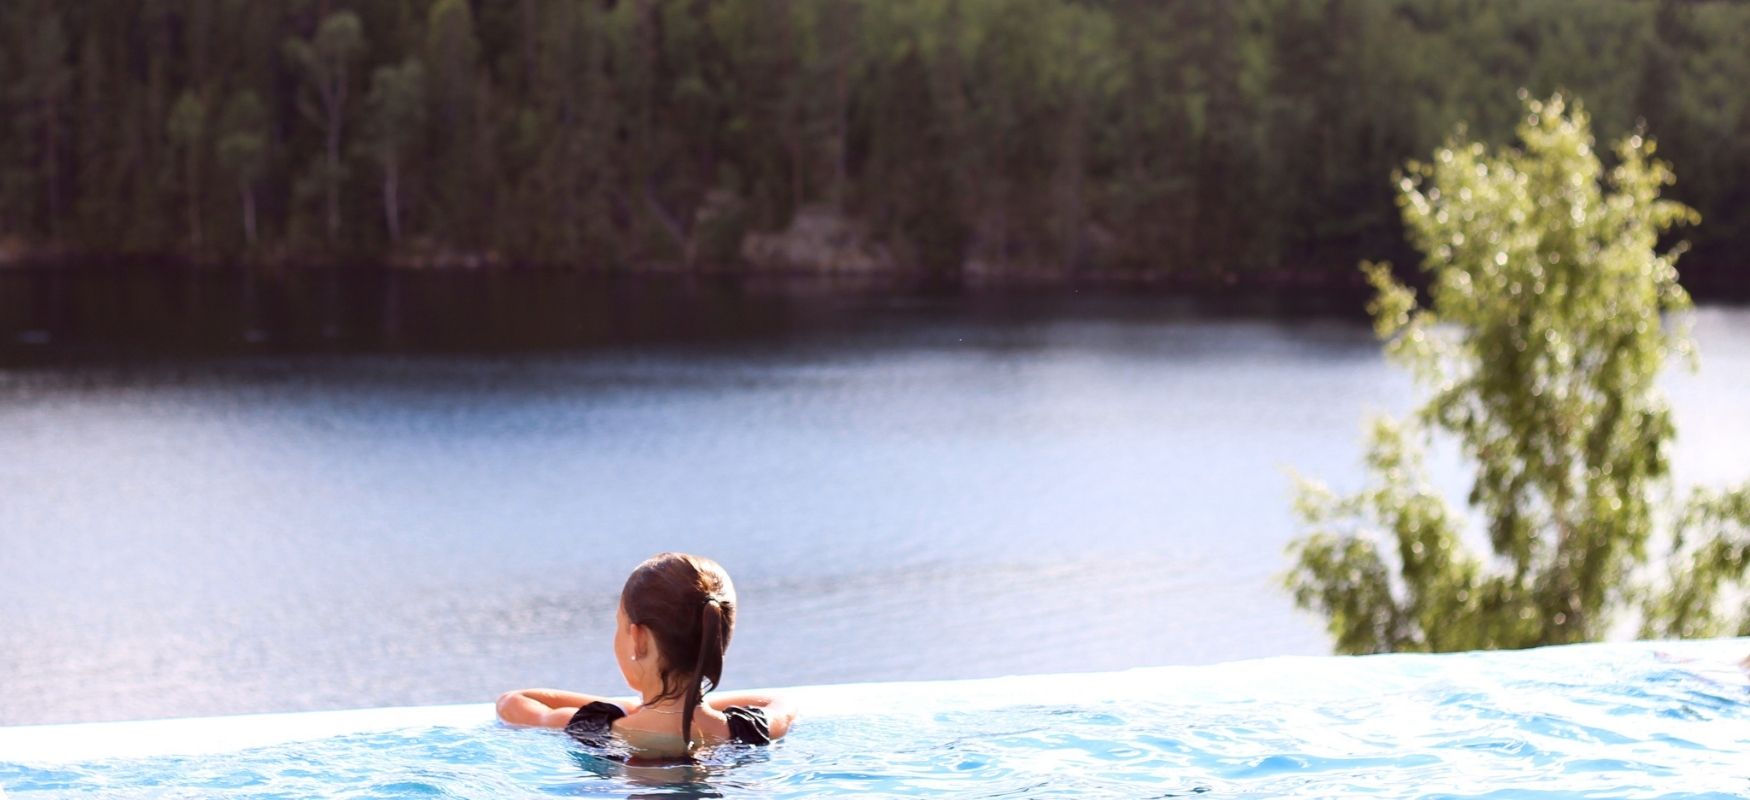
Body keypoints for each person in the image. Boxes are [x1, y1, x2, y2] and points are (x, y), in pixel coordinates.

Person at [496, 553, 795, 759]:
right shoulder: (748, 729)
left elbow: (512, 703)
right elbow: (782, 703)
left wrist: (631, 708)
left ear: (638, 639)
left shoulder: (595, 727)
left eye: (619, 625)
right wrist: (687, 699)